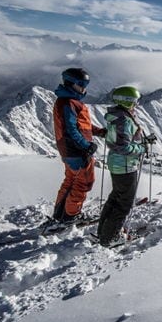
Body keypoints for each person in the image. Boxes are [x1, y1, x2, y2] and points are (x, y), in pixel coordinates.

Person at [97, 85, 153, 246]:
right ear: (127, 102)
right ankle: (110, 238)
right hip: (125, 166)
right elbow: (123, 147)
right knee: (124, 204)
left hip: (118, 164)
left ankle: (103, 233)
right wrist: (142, 148)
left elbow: (119, 141)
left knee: (115, 198)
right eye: (134, 101)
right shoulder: (124, 120)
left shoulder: (117, 116)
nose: (136, 104)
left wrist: (140, 142)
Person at [52, 67, 106, 224]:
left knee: (70, 181)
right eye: (80, 84)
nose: (84, 88)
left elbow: (81, 126)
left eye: (85, 84)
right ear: (70, 83)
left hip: (69, 150)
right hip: (77, 150)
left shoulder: (68, 102)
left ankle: (60, 214)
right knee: (83, 183)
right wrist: (85, 145)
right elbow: (71, 129)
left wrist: (99, 131)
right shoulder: (69, 103)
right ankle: (70, 215)